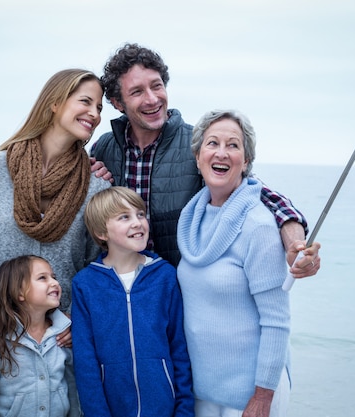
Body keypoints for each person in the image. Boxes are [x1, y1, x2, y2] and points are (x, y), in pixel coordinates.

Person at [91, 43, 321, 272]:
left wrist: (295, 246)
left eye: (157, 86)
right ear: (118, 102)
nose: (152, 99)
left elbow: (265, 198)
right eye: (137, 92)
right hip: (120, 292)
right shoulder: (103, 149)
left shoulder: (199, 144)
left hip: (182, 296)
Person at [0, 68, 111, 352]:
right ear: (55, 102)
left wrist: (80, 317)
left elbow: (97, 263)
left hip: (62, 339)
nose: (95, 114)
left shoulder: (94, 187)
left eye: (99, 107)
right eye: (85, 102)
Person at [178, 109, 295, 417]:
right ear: (198, 155)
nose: (222, 153)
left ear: (246, 161)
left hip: (249, 397)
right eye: (212, 143)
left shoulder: (258, 226)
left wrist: (263, 395)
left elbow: (276, 320)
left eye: (233, 145)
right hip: (203, 392)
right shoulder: (192, 219)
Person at [71, 186, 194, 417]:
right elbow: (85, 362)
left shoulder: (165, 276)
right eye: (124, 217)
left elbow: (179, 348)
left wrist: (184, 412)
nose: (138, 222)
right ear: (101, 232)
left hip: (163, 408)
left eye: (140, 214)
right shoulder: (85, 285)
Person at [0, 255, 81, 417]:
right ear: (19, 292)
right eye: (42, 278)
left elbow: (72, 384)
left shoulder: (63, 332)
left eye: (54, 277)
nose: (54, 283)